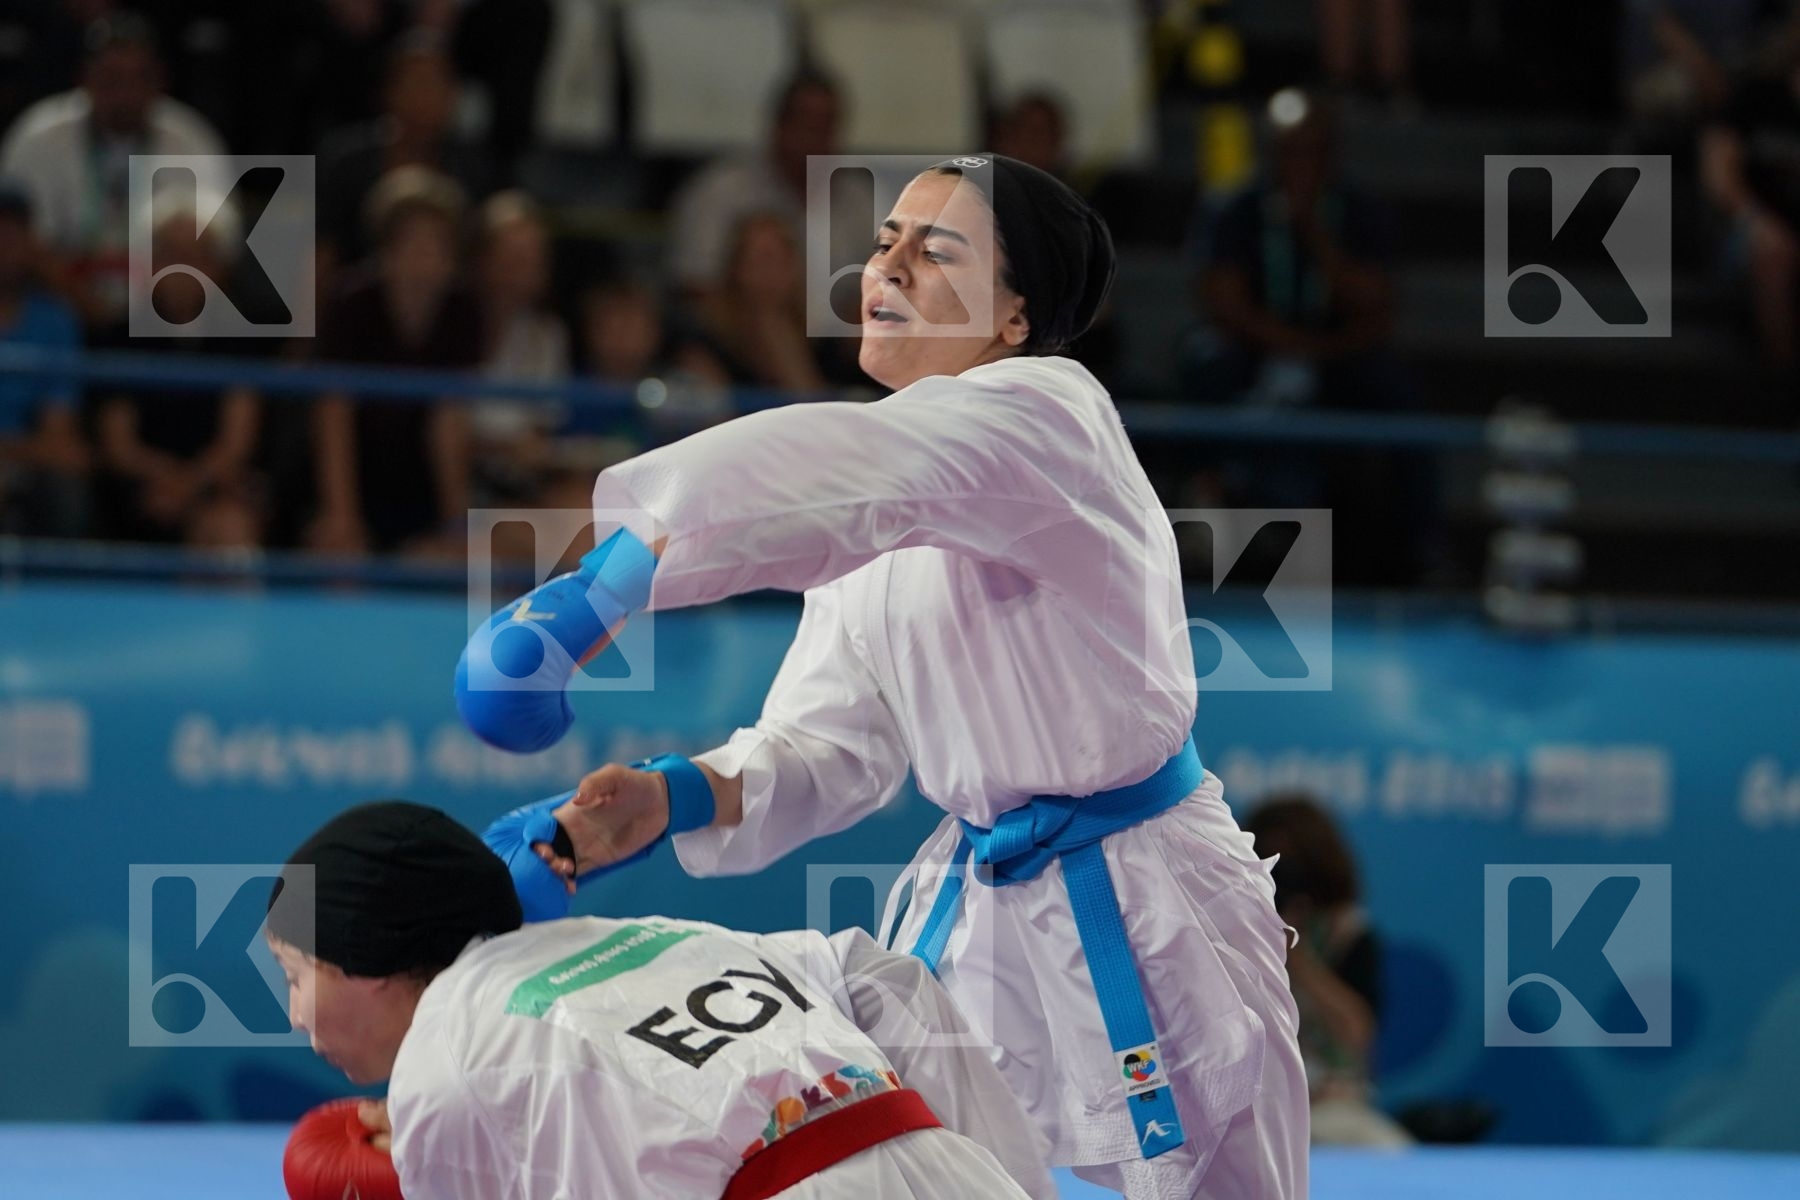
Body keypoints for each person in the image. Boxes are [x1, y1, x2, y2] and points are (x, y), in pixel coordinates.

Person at [455, 155, 1308, 1198]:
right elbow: (827, 746)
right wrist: (672, 798)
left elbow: (848, 471)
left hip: (1144, 894)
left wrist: (608, 583)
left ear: (1016, 315)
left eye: (935, 251)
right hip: (980, 905)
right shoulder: (878, 511)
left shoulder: (1048, 412)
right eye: (883, 242)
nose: (888, 267)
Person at [266, 800, 1055, 1199]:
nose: (296, 1013)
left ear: (361, 960)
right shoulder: (654, 933)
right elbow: (885, 979)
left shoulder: (440, 1066)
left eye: (297, 975)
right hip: (959, 1173)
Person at [0, 12, 230, 335]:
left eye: (139, 78)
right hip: (56, 303)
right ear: (83, 79)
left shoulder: (191, 139)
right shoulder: (38, 136)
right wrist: (80, 297)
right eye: (111, 78)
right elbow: (18, 242)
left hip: (160, 315)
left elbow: (221, 247)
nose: (125, 93)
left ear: (161, 80)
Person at [309, 165, 477, 559]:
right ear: (386, 248)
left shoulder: (462, 311)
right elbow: (334, 410)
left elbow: (450, 418)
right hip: (352, 475)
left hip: (420, 485)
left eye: (437, 244)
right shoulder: (350, 303)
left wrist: (456, 524)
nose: (424, 256)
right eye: (412, 241)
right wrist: (342, 516)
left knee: (453, 561)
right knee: (337, 557)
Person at [1242, 793, 1409, 1148]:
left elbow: (1356, 1034)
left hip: (1332, 1105)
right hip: (1250, 1102)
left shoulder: (1348, 934)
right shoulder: (1234, 932)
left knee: (1384, 1149)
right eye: (1270, 860)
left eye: (1293, 864)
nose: (1283, 877)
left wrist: (1297, 957)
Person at [0, 180, 88, 539]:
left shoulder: (55, 320)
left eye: (14, 235)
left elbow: (60, 440)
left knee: (67, 492)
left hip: (30, 467)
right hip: (25, 453)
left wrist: (9, 455)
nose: (5, 245)